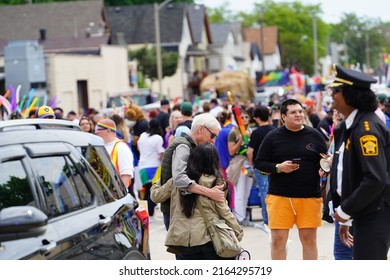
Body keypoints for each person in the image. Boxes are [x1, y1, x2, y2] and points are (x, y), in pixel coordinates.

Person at [327, 64, 390, 260]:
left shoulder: (366, 129)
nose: (332, 94)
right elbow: (346, 172)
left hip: (374, 215)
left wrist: (345, 211)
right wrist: (346, 217)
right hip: (361, 213)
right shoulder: (349, 125)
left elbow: (375, 178)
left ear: (350, 95)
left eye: (336, 90)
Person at [254, 98, 327, 260]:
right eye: (293, 112)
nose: (298, 115)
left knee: (309, 240)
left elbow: (325, 160)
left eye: (300, 111)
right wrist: (278, 167)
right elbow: (259, 163)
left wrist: (325, 168)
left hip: (309, 196)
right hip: (280, 196)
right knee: (278, 241)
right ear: (283, 117)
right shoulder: (273, 137)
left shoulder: (315, 135)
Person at [151, 143, 243, 259]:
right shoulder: (216, 182)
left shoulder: (177, 181)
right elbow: (224, 211)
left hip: (183, 240)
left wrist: (162, 179)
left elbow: (155, 196)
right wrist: (237, 232)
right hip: (209, 238)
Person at [155, 112, 225, 230]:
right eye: (213, 136)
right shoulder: (183, 146)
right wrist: (209, 192)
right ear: (201, 129)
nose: (213, 141)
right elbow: (179, 178)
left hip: (180, 209)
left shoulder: (190, 145)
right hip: (176, 211)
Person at [247, 106, 276, 227]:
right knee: (275, 192)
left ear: (257, 118)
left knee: (264, 192)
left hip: (260, 166)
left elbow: (249, 152)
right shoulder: (274, 130)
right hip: (275, 166)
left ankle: (267, 219)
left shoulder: (256, 133)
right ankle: (276, 217)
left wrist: (252, 163)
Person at [95, 118, 134, 191]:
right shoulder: (100, 146)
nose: (96, 132)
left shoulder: (121, 147)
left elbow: (126, 174)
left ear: (108, 131)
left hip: (116, 195)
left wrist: (118, 193)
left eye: (98, 130)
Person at [137, 119, 165, 217]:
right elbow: (161, 153)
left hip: (142, 167)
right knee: (153, 190)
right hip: (154, 166)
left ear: (148, 126)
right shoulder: (158, 138)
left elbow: (138, 148)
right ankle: (150, 211)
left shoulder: (142, 136)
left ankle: (146, 212)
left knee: (145, 191)